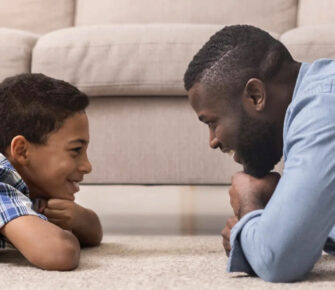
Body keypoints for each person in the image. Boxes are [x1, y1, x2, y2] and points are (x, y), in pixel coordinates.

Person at [183, 24, 335, 282]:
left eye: (212, 122)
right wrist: (282, 210)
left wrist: (249, 204)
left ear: (255, 96)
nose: (213, 141)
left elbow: (280, 259)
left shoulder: (322, 109)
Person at [0, 73, 102, 270]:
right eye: (76, 151)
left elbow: (95, 234)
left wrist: (78, 218)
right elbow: (58, 253)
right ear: (22, 151)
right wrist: (67, 233)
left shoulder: (33, 187)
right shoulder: (2, 179)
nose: (87, 166)